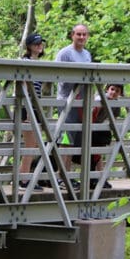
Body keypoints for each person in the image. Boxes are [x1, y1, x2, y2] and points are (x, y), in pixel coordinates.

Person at [55, 24, 91, 169]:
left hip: (82, 102)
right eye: (78, 34)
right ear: (72, 35)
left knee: (75, 139)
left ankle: (67, 174)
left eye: (84, 34)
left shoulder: (87, 54)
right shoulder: (65, 53)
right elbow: (57, 75)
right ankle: (61, 175)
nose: (81, 37)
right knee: (65, 138)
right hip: (66, 101)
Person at [18, 33, 45, 191]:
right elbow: (23, 86)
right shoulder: (25, 62)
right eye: (36, 43)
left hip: (34, 108)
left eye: (41, 43)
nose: (39, 46)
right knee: (30, 145)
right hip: (27, 108)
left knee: (33, 145)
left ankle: (25, 177)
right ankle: (24, 180)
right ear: (29, 46)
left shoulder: (38, 62)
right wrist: (28, 111)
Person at [88, 83, 123, 189]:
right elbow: (91, 114)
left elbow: (113, 119)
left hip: (100, 129)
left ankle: (100, 178)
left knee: (98, 154)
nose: (114, 92)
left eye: (117, 91)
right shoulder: (100, 99)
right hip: (92, 128)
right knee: (94, 155)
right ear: (107, 89)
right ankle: (95, 178)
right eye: (112, 89)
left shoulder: (116, 104)